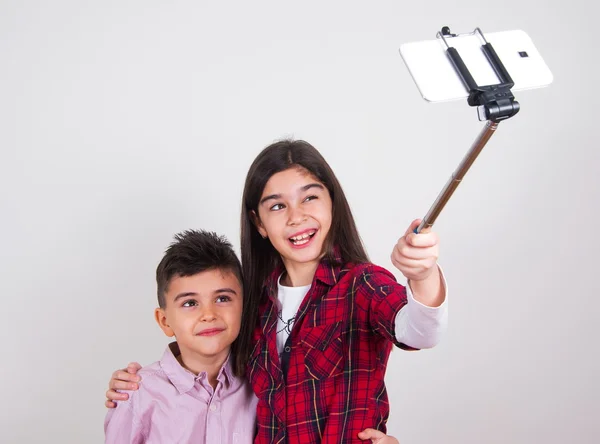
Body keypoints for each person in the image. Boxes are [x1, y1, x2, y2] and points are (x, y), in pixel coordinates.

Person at [106, 139, 448, 443]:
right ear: (259, 224)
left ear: (332, 203)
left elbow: (420, 331)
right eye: (277, 206)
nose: (296, 217)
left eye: (310, 198)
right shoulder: (253, 301)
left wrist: (423, 274)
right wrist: (142, 385)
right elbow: (209, 360)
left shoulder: (363, 284)